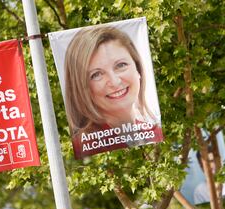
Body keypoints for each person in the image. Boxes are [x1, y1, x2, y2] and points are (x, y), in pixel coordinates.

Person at [64, 25, 163, 159]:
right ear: (80, 87)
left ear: (138, 68)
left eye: (120, 65)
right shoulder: (87, 149)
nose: (115, 82)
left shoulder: (153, 132)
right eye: (96, 74)